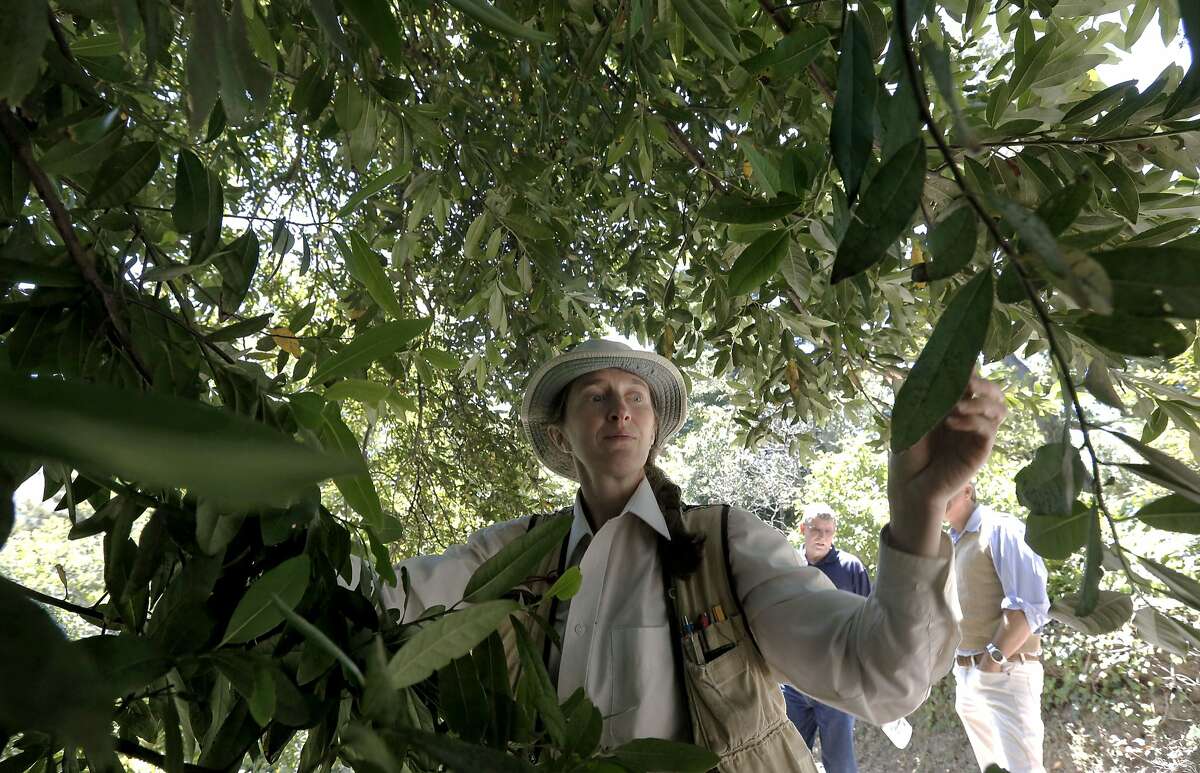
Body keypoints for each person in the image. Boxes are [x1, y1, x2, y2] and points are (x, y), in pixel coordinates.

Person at [354, 339, 1007, 770]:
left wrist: (919, 509)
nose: (620, 409)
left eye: (634, 396)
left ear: (655, 429)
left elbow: (880, 676)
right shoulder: (515, 554)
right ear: (561, 434)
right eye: (597, 397)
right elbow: (393, 597)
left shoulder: (727, 544)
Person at [944, 482, 1050, 773]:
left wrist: (990, 666)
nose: (936, 495)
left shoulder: (1002, 529)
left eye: (945, 487)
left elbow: (1029, 607)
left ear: (967, 489)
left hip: (1006, 671)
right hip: (969, 675)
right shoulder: (951, 542)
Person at [782, 504, 871, 773]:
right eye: (815, 530)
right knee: (791, 760)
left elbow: (869, 622)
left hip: (837, 685)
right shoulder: (788, 566)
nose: (822, 537)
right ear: (802, 530)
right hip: (794, 683)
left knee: (840, 764)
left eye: (828, 531)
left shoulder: (850, 567)